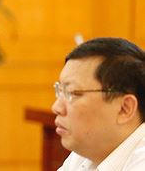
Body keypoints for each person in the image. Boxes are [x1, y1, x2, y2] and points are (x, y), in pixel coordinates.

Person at [52, 37, 145, 170]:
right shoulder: (87, 151)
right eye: (60, 91)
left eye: (72, 93)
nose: (56, 108)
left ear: (124, 108)